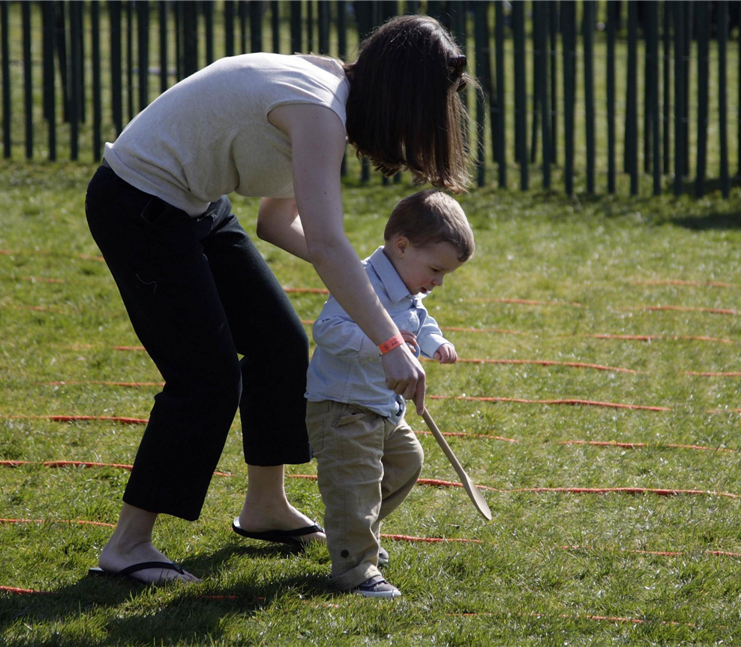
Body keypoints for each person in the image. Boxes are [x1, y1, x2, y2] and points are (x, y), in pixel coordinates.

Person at [83, 15, 473, 584]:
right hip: (139, 206)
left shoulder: (323, 86)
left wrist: (361, 281)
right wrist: (388, 339)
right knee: (207, 377)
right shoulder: (319, 113)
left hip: (195, 205)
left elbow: (275, 221)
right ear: (399, 96)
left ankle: (264, 508)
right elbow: (325, 241)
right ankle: (127, 545)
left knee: (281, 347)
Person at [305, 190, 474, 598]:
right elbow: (327, 331)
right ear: (401, 246)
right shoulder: (359, 281)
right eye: (435, 269)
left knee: (407, 461)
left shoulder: (405, 285)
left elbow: (420, 318)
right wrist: (385, 344)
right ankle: (354, 569)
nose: (437, 282)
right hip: (343, 409)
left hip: (382, 407)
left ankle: (356, 531)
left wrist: (434, 343)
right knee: (356, 485)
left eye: (444, 275)